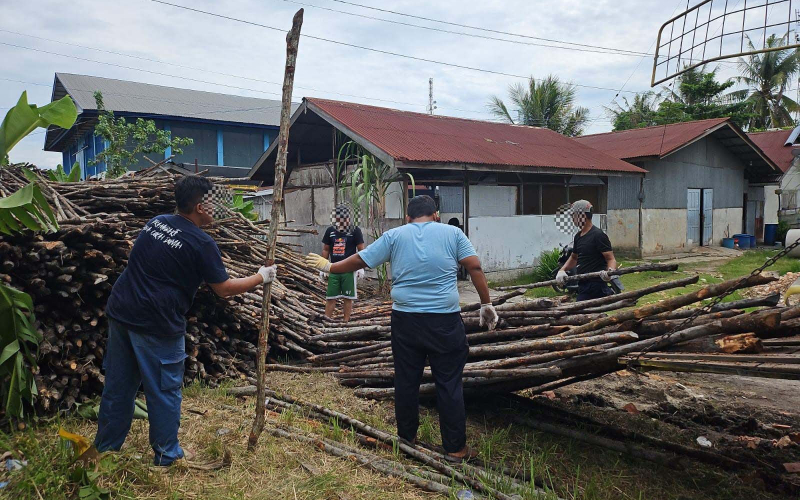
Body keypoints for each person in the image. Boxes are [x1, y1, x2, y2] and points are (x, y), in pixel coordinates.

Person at [96, 175, 278, 466]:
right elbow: (223, 289)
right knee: (164, 390)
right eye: (215, 204)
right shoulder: (200, 242)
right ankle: (167, 455)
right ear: (200, 206)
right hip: (157, 322)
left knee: (118, 386)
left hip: (122, 310)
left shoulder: (156, 222)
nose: (220, 210)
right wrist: (261, 276)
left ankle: (105, 448)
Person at [305, 195, 499, 461]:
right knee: (449, 383)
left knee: (406, 381)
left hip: (405, 320)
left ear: (408, 218)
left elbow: (360, 259)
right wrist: (486, 304)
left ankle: (407, 439)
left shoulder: (395, 235)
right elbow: (474, 266)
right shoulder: (453, 233)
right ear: (436, 215)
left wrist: (330, 266)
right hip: (444, 320)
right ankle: (455, 449)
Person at [556, 199, 617, 301]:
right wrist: (562, 270)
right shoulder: (578, 236)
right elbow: (574, 257)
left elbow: (610, 259)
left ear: (582, 215)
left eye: (573, 215)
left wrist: (610, 272)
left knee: (595, 314)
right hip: (583, 284)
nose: (572, 218)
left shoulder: (598, 235)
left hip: (597, 285)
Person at [320, 204, 365, 322]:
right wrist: (323, 267)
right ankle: (326, 321)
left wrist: (361, 267)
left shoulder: (355, 230)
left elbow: (361, 249)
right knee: (331, 297)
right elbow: (326, 249)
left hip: (349, 270)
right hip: (334, 268)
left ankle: (346, 322)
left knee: (348, 297)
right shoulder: (330, 231)